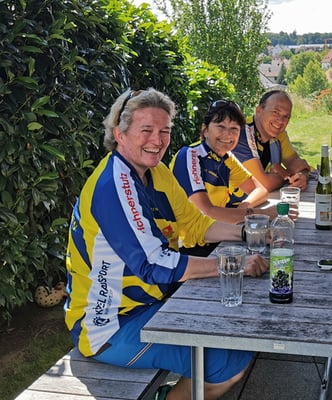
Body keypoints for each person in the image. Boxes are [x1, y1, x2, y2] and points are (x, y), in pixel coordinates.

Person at [64, 88, 269, 400]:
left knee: (236, 326)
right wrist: (233, 264)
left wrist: (250, 232)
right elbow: (153, 264)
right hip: (109, 327)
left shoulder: (156, 171)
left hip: (150, 304)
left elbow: (195, 224)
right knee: (228, 362)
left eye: (164, 131)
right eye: (146, 130)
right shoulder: (113, 184)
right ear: (119, 134)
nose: (157, 141)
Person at [170, 100, 280, 256]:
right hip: (187, 248)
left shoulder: (226, 158)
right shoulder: (190, 155)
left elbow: (260, 190)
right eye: (220, 127)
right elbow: (207, 212)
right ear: (205, 130)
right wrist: (260, 215)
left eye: (234, 128)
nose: (228, 134)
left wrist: (244, 209)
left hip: (216, 237)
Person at [232, 89, 311, 192]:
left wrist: (302, 175)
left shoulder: (278, 133)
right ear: (259, 110)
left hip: (260, 200)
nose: (280, 121)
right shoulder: (241, 134)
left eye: (286, 117)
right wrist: (287, 174)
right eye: (275, 112)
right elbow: (263, 184)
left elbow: (296, 162)